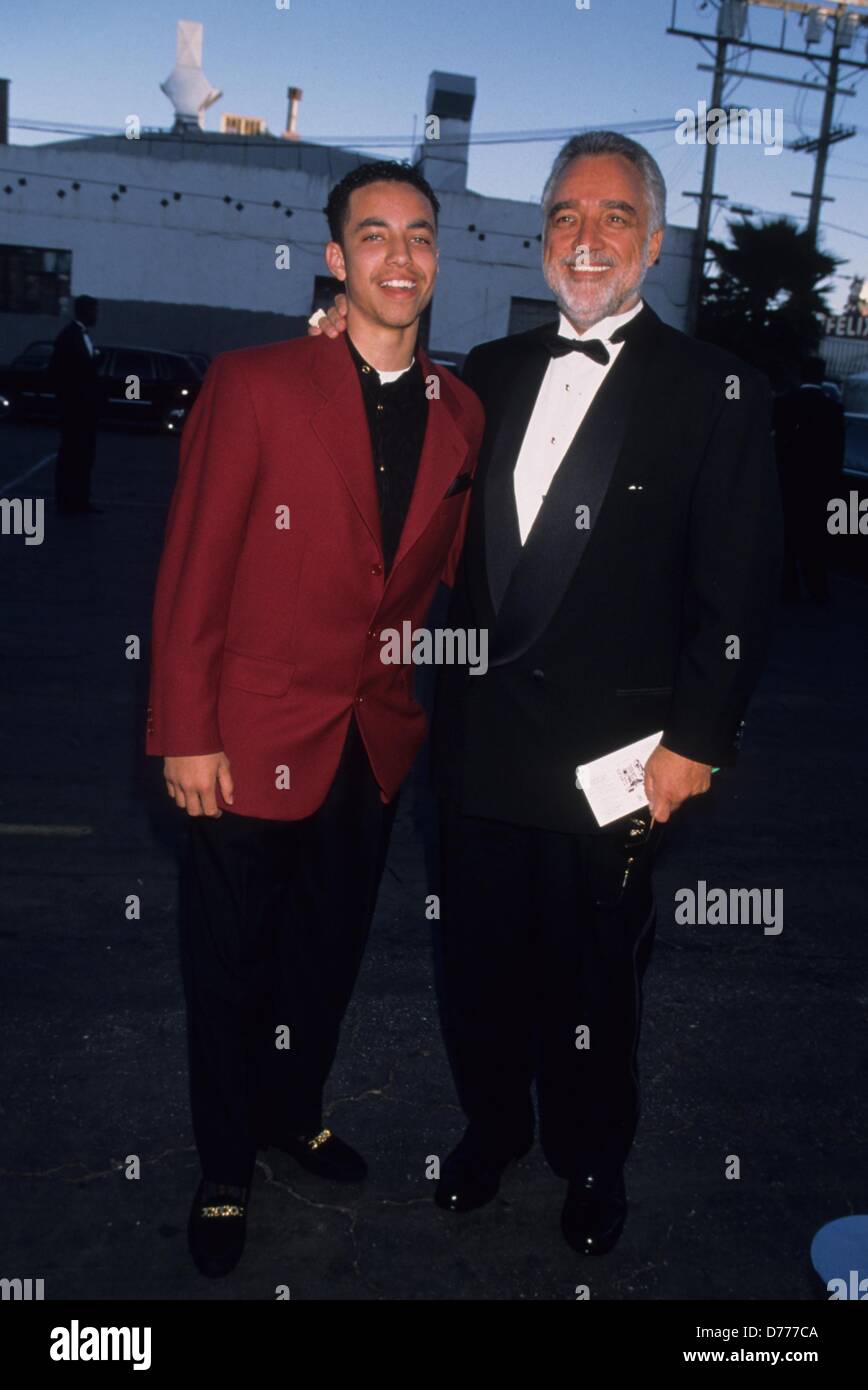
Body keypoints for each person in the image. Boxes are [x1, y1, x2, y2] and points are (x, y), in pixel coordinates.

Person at [310, 131, 782, 1257]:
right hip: (478, 751)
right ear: (541, 240)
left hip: (617, 764)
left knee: (594, 987)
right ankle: (492, 1131)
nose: (587, 237)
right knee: (475, 970)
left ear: (654, 243)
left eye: (614, 217)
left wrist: (695, 745)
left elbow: (739, 589)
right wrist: (337, 348)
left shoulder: (716, 390)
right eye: (566, 215)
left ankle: (592, 1158)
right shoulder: (486, 371)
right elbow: (388, 440)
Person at [146, 161, 483, 1277]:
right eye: (374, 234)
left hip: (371, 739)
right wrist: (185, 728)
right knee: (228, 963)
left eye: (419, 234)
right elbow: (194, 566)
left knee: (326, 956)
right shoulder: (254, 382)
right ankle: (223, 1166)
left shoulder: (461, 413)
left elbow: (444, 574)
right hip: (244, 740)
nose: (400, 255)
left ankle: (294, 1111)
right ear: (336, 258)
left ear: (438, 257)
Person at [773, 356, 845, 603]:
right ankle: (818, 590)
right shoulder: (833, 409)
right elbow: (836, 454)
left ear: (800, 374)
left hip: (789, 483)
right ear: (822, 376)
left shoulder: (785, 403)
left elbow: (777, 445)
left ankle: (789, 588)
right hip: (818, 486)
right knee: (814, 539)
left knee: (788, 538)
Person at [49, 295, 101, 515]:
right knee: (72, 454)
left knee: (83, 455)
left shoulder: (78, 336)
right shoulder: (69, 337)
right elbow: (58, 371)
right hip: (75, 409)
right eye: (94, 311)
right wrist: (70, 400)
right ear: (84, 312)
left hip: (84, 409)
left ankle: (80, 500)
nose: (96, 316)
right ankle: (67, 501)